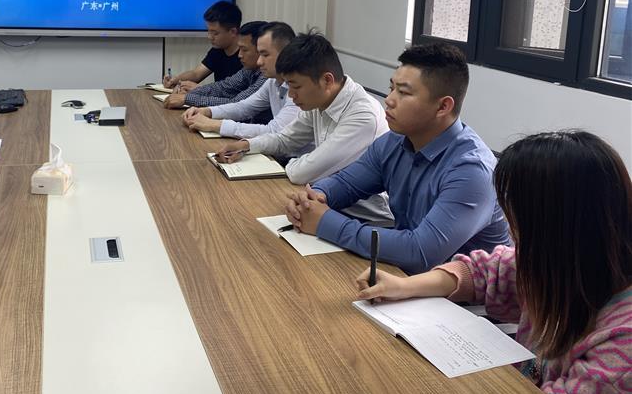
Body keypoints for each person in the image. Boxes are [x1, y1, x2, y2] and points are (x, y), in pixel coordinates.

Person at [356, 131, 631, 394]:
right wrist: (404, 286)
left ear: (555, 229)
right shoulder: (566, 266)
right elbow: (483, 271)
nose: (511, 229)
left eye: (518, 219)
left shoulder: (622, 345)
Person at [285, 42, 511, 274]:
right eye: (391, 88)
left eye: (403, 92)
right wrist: (314, 198)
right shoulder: (393, 142)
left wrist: (324, 222)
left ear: (443, 106)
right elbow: (346, 184)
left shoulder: (471, 170)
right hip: (404, 277)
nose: (389, 100)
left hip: (463, 293)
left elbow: (420, 253)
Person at [214, 31, 392, 224]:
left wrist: (292, 163)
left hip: (363, 219)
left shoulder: (363, 115)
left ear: (327, 80)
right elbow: (285, 139)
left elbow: (302, 173)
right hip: (321, 202)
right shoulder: (320, 100)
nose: (291, 95)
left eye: (296, 87)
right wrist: (247, 145)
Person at [182, 22, 301, 138]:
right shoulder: (272, 81)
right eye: (259, 54)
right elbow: (243, 107)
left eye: (265, 55)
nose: (259, 61)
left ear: (286, 54)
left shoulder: (298, 87)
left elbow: (274, 131)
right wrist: (207, 111)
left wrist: (215, 125)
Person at [163, 21, 268, 111]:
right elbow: (222, 87)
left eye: (244, 50)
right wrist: (187, 93)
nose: (239, 55)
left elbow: (237, 104)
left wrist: (187, 99)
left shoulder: (267, 76)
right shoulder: (249, 69)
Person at [162, 0, 242, 92]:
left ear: (233, 32)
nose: (209, 37)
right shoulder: (217, 50)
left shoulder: (246, 56)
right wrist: (176, 80)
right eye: (208, 31)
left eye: (215, 33)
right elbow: (196, 74)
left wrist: (202, 90)